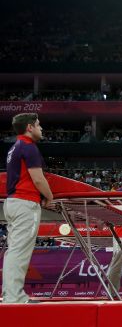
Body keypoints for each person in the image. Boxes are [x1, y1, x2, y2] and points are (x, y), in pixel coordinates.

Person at [2, 113, 53, 304]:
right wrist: (49, 196)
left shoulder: (14, 147)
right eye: (39, 125)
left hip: (14, 202)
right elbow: (38, 179)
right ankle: (14, 298)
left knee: (14, 251)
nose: (42, 129)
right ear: (30, 127)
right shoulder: (29, 147)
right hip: (25, 203)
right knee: (19, 252)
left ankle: (11, 296)